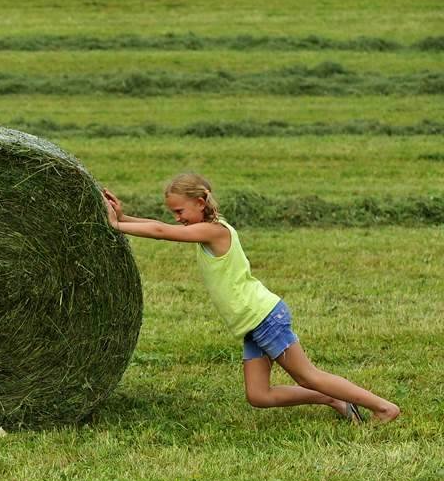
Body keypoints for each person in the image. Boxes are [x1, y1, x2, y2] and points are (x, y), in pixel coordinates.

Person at [103, 173, 400, 423]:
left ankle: (384, 408)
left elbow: (160, 231)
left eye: (180, 212)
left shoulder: (214, 231)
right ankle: (332, 398)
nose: (177, 218)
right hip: (252, 325)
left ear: (200, 202)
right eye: (174, 213)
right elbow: (159, 225)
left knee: (307, 375)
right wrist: (123, 216)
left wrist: (116, 226)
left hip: (264, 317)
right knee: (259, 396)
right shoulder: (203, 228)